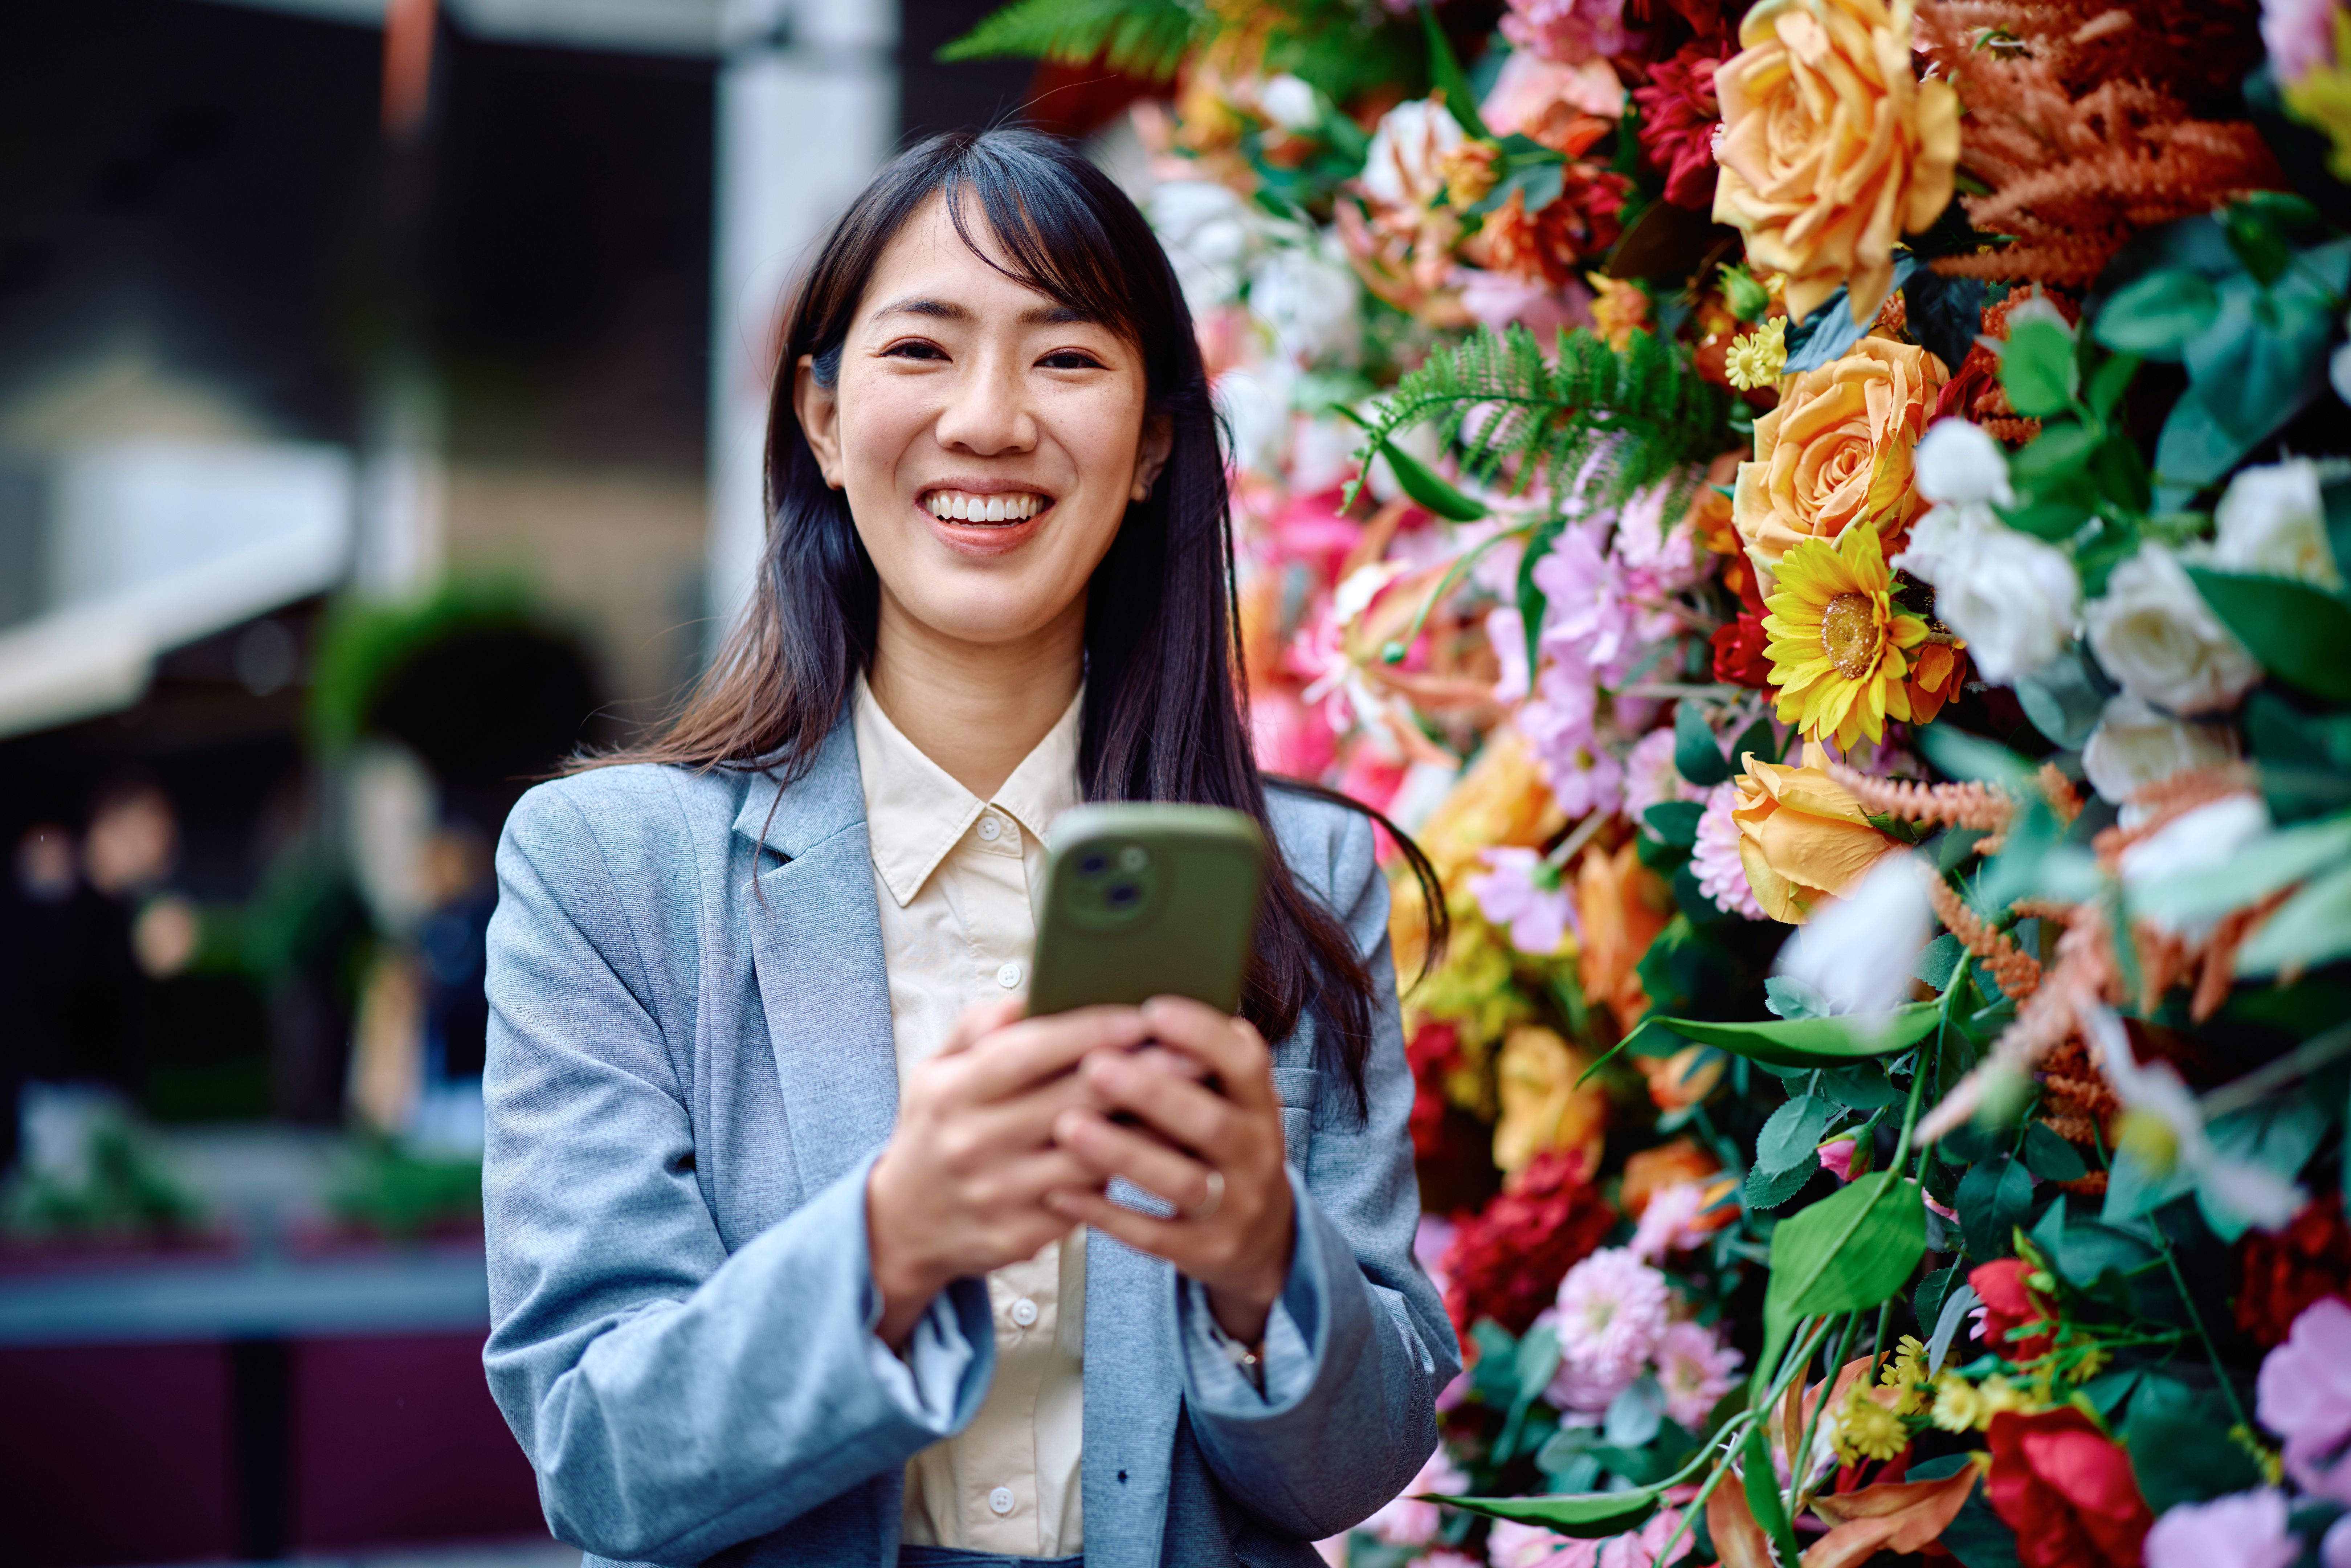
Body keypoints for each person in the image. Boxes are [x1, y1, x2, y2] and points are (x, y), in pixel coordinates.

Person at [481, 127, 1459, 1568]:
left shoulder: (1297, 880)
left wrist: (1265, 1264)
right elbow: (604, 1459)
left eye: (1067, 359)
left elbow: (1363, 1464)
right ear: (820, 421)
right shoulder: (612, 875)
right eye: (922, 351)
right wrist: (892, 1241)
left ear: (1155, 444)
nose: (992, 420)